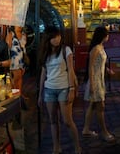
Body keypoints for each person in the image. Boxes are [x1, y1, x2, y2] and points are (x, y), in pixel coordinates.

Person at [37, 26, 81, 154]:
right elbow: (43, 74)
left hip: (64, 88)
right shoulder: (45, 54)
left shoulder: (65, 50)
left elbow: (71, 70)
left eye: (59, 36)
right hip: (49, 89)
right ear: (48, 39)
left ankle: (77, 146)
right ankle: (56, 147)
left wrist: (72, 88)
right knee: (52, 120)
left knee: (67, 120)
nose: (58, 38)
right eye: (55, 37)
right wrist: (40, 94)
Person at [82, 26, 115, 142]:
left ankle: (86, 129)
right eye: (107, 34)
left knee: (92, 106)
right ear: (103, 36)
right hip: (95, 81)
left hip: (99, 79)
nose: (108, 36)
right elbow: (90, 66)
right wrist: (91, 84)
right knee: (100, 107)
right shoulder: (96, 48)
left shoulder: (100, 46)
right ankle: (104, 132)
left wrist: (107, 69)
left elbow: (99, 62)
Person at [7, 26, 28, 92]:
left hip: (22, 58)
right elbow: (8, 47)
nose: (20, 26)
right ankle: (14, 93)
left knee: (20, 77)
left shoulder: (24, 34)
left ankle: (19, 94)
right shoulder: (11, 34)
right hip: (14, 60)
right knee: (16, 77)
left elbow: (24, 47)